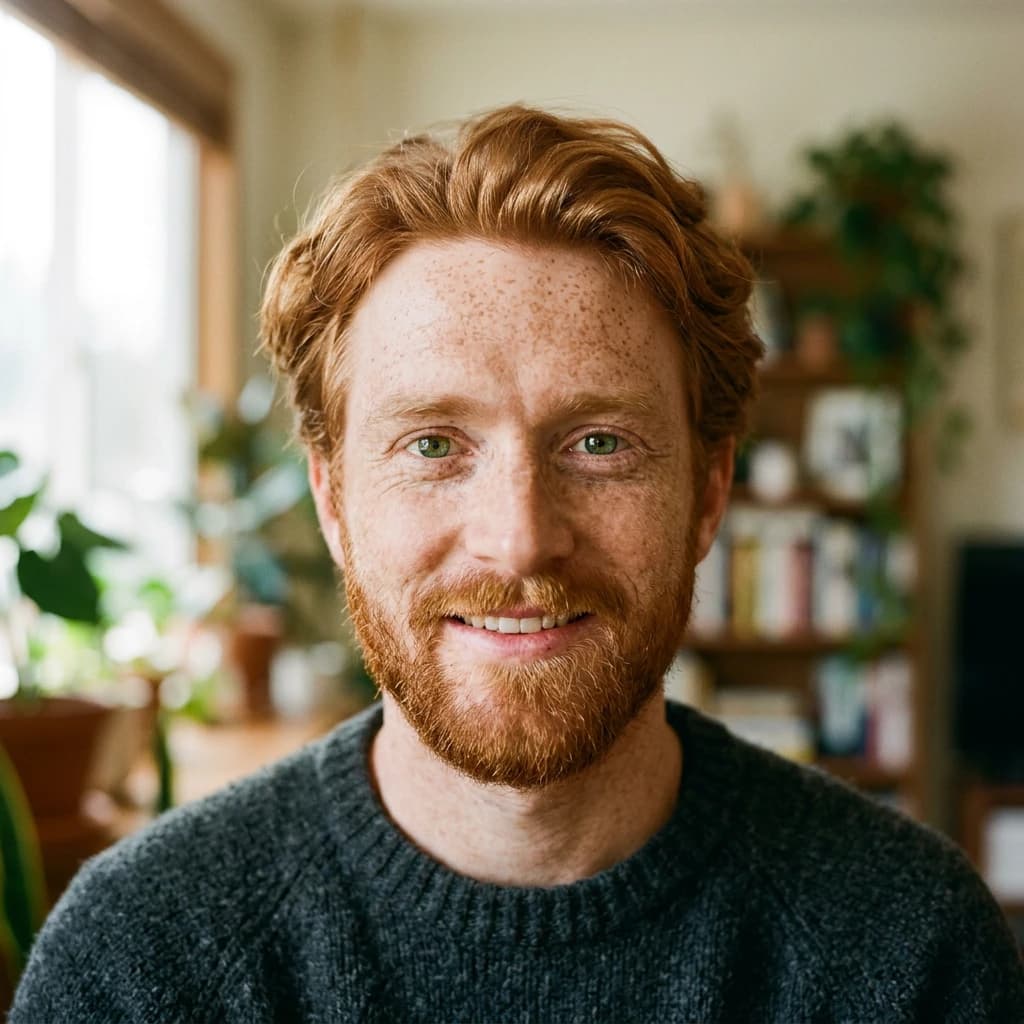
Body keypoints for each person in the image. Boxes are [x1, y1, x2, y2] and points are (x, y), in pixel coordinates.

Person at [12, 104, 1024, 1023]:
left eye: (598, 443)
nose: (520, 537)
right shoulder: (141, 962)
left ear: (709, 492)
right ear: (331, 499)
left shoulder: (907, 952)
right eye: (433, 445)